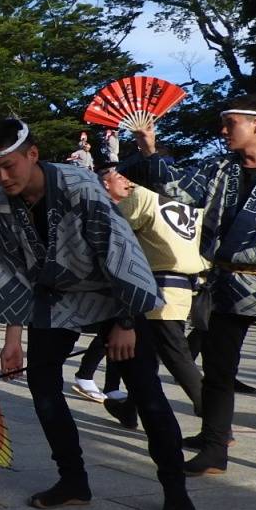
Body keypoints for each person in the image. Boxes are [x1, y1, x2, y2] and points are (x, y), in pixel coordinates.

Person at [0, 117, 194, 510]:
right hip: (55, 299)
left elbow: (120, 251)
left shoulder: (80, 186)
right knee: (42, 386)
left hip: (113, 292)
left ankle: (175, 489)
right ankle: (73, 480)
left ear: (33, 155)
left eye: (9, 167)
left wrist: (126, 321)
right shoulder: (1, 204)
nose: (1, 177)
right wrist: (12, 338)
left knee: (145, 391)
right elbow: (11, 271)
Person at [126, 95, 256, 489]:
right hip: (225, 281)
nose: (223, 131)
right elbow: (177, 191)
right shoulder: (219, 167)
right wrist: (149, 147)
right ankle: (214, 449)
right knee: (218, 374)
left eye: (230, 123)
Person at [98, 166, 207, 427]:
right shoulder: (190, 208)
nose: (126, 180)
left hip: (156, 287)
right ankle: (129, 407)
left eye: (126, 175)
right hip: (183, 286)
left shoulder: (143, 197)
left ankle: (215, 421)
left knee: (176, 356)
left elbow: (116, 237)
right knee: (145, 356)